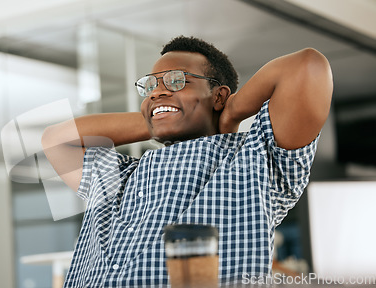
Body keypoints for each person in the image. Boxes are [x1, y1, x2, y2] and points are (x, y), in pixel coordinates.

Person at [41, 36, 333, 287]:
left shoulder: (255, 159)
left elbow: (308, 67)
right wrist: (159, 118)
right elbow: (56, 140)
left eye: (176, 81)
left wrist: (231, 112)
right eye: (151, 86)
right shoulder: (124, 174)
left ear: (218, 96)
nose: (157, 91)